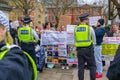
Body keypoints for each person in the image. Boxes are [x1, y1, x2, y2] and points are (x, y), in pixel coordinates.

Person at [0, 10, 37, 80]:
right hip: (30, 46)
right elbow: (36, 37)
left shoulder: (20, 29)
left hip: (22, 45)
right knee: (31, 62)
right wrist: (34, 41)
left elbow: (19, 37)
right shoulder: (31, 30)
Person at [74, 13, 96, 80]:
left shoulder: (76, 28)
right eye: (88, 19)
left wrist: (76, 49)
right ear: (85, 20)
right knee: (92, 66)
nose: (88, 21)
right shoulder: (90, 28)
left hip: (80, 50)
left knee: (81, 67)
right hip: (89, 49)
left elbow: (75, 40)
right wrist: (92, 47)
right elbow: (94, 40)